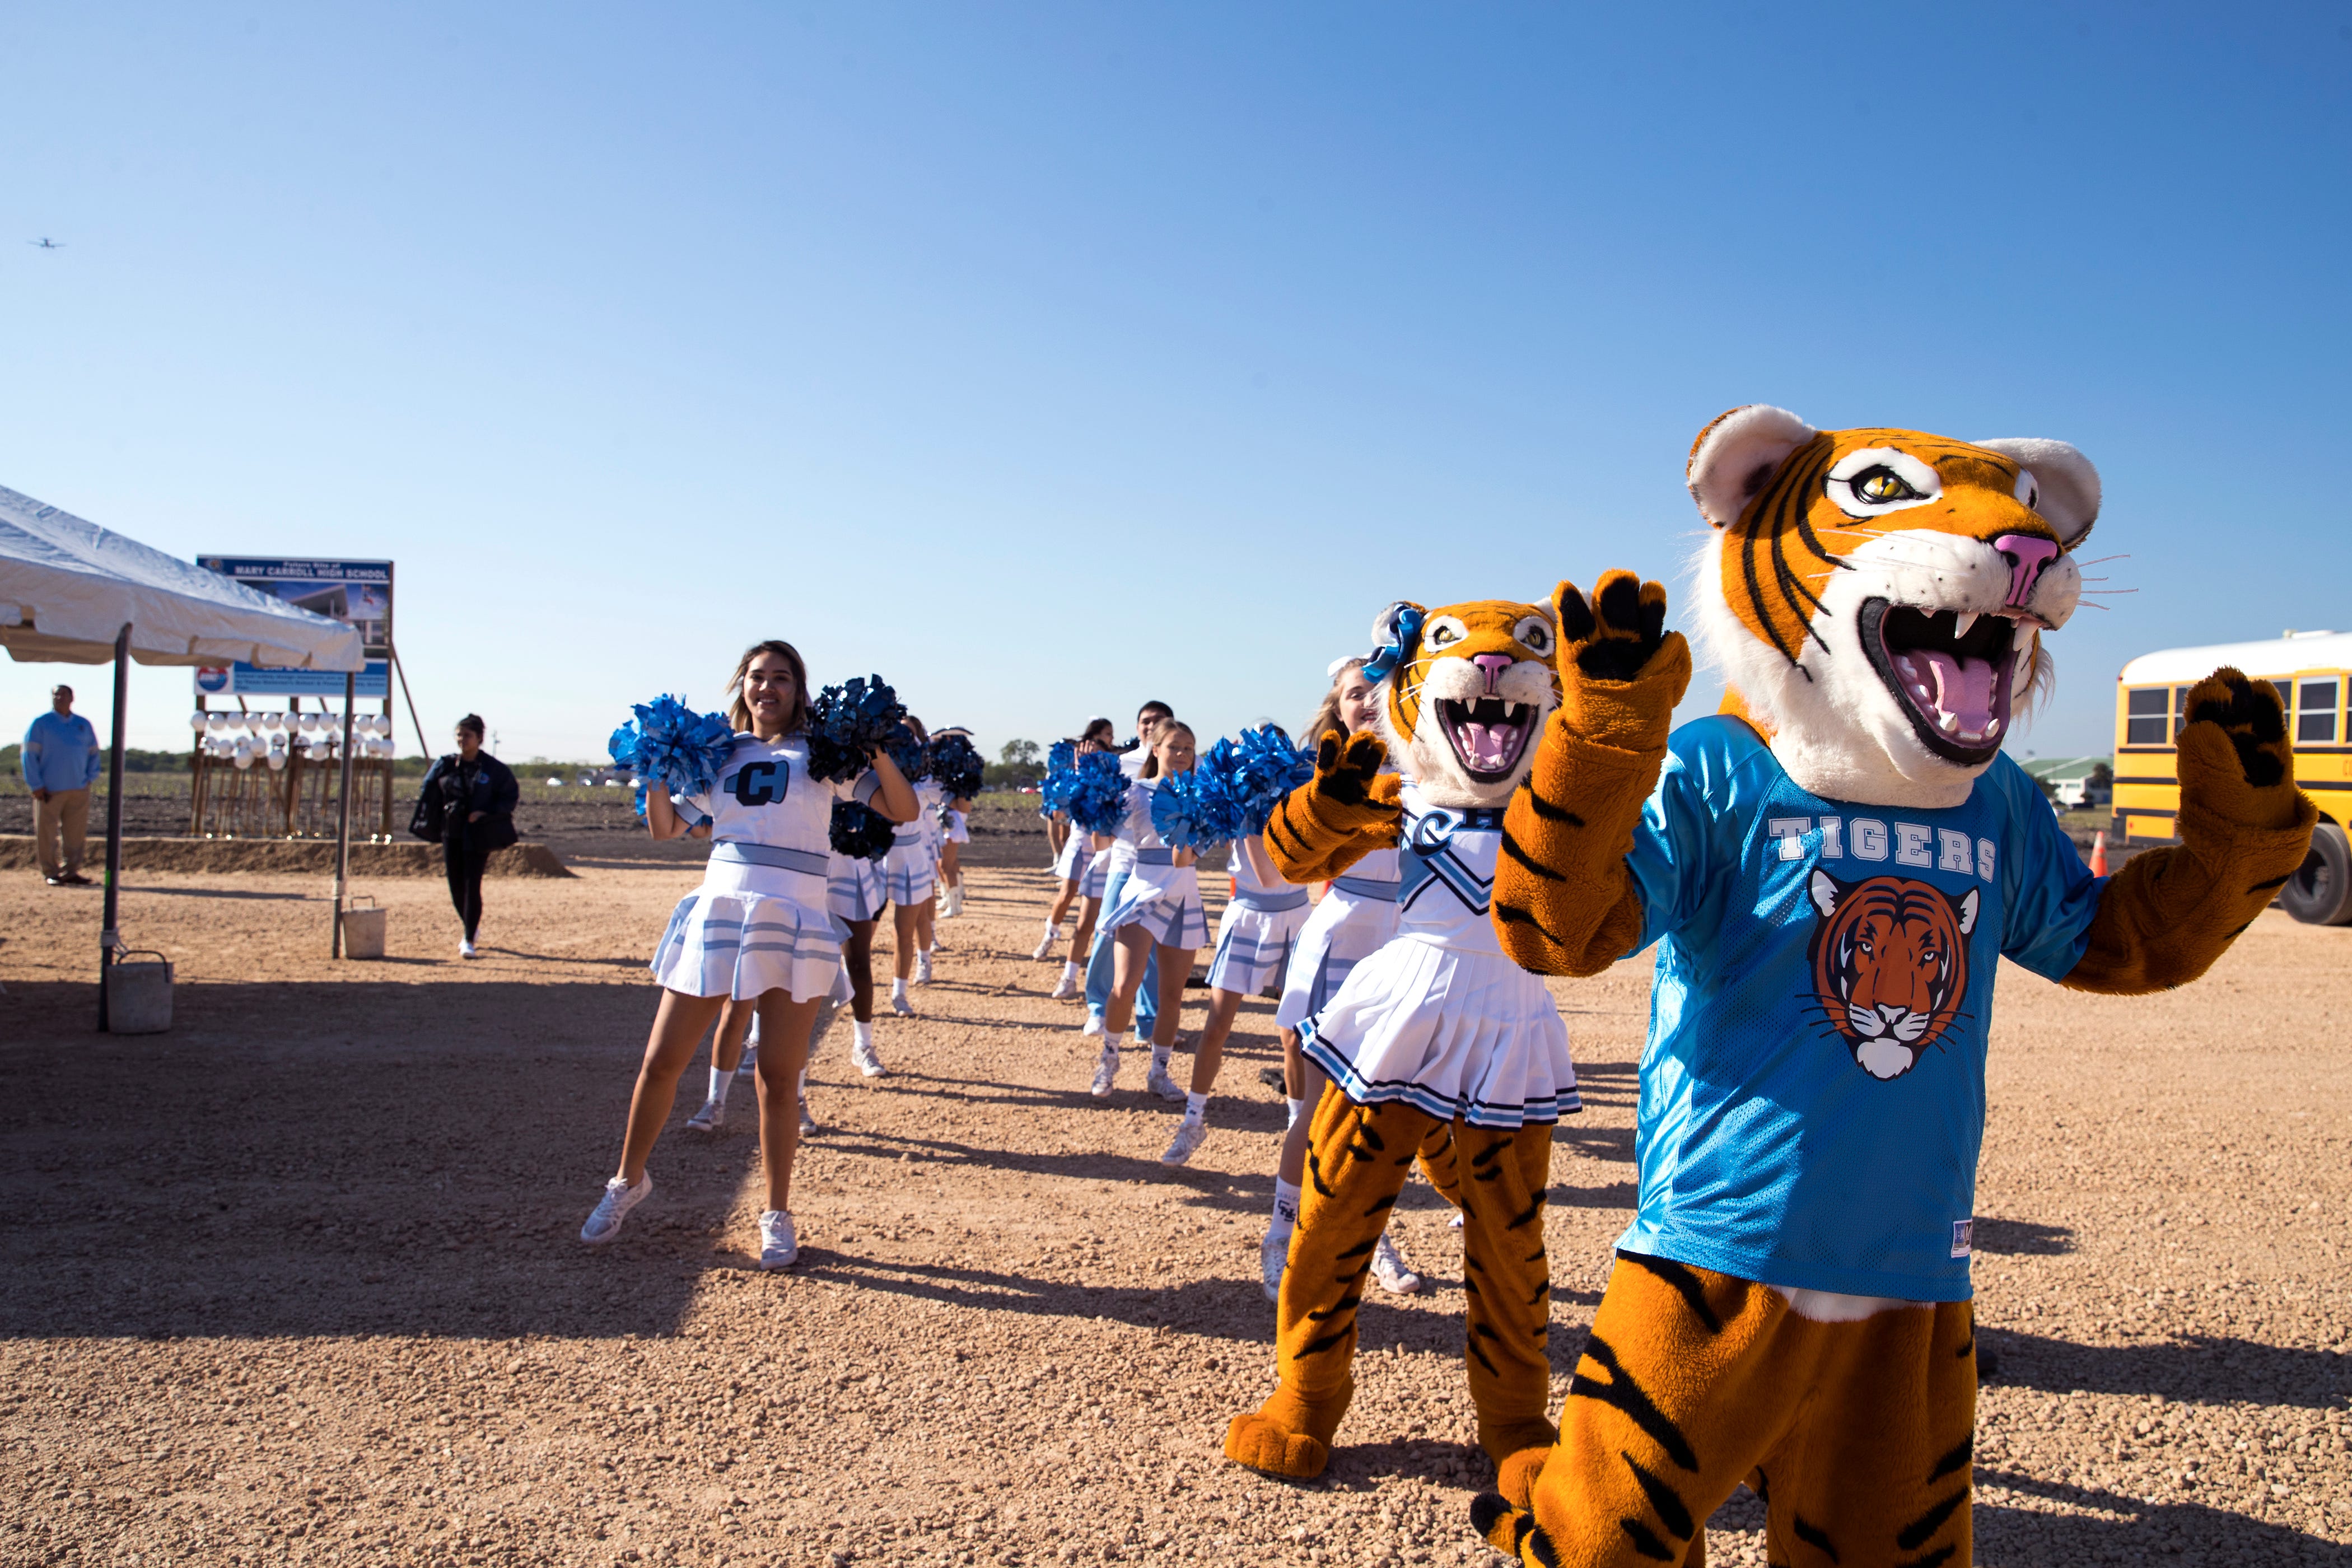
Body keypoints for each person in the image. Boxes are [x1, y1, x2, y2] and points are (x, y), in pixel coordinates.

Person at [580, 640, 916, 1269]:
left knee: (778, 1078)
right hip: (723, 909)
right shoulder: (719, 754)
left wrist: (875, 752)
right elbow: (664, 828)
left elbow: (902, 808)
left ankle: (777, 1211)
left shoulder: (823, 755)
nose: (769, 688)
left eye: (782, 678)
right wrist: (655, 767)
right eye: (758, 677)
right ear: (741, 686)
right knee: (661, 1061)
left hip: (793, 915)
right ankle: (627, 1181)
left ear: (799, 689)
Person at [1262, 660, 1422, 1299]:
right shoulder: (1320, 777)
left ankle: (1372, 1237)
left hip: (1412, 944)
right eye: (1358, 694)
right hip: (1343, 939)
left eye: (1384, 692)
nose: (1371, 703)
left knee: (1389, 1110)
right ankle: (1282, 1239)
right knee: (1318, 1110)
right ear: (1336, 707)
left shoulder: (1430, 768)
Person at [1158, 726, 1312, 1166]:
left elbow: (1273, 875)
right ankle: (1192, 1123)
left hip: (1295, 918)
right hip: (1245, 918)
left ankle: (1296, 1129)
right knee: (1217, 1026)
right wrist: (1188, 812)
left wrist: (1250, 819)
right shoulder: (1232, 803)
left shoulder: (1296, 802)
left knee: (1293, 1037)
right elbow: (1182, 859)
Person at [1089, 721, 1206, 1100]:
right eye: (1175, 747)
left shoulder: (1202, 798)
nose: (1183, 755)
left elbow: (1184, 858)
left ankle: (1159, 1072)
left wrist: (1187, 815)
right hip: (1141, 890)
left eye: (1189, 748)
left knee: (1171, 995)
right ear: (1155, 749)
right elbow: (1100, 840)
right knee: (1125, 986)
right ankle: (1109, 1060)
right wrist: (1094, 802)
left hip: (1182, 892)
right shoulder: (1135, 792)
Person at [1081, 701, 1175, 1037]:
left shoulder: (1181, 766)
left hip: (1163, 870)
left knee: (1153, 948)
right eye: (1145, 721)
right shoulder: (1120, 765)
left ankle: (1149, 1023)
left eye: (1158, 721)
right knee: (1107, 936)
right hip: (1124, 863)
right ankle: (1098, 1008)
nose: (1151, 726)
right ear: (1136, 727)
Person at [414, 716, 519, 959]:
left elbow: (509, 796)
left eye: (467, 736)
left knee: (473, 884)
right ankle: (470, 924)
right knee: (456, 886)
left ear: (479, 739)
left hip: (478, 834)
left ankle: (468, 937)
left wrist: (486, 813)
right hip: (452, 832)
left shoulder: (493, 769)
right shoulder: (446, 765)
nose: (463, 740)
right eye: (459, 735)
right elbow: (428, 791)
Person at [1033, 717, 1117, 972]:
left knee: (1093, 906)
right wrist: (1079, 777)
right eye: (1106, 734)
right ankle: (1050, 934)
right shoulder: (1074, 777)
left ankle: (1086, 957)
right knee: (1067, 893)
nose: (1110, 738)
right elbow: (1060, 813)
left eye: (1111, 735)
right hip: (1081, 844)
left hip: (1104, 849)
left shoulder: (1114, 780)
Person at [882, 716, 940, 1019]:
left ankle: (902, 989)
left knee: (906, 928)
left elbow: (954, 800)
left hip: (911, 853)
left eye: (908, 731)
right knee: (855, 930)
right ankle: (847, 985)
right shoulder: (875, 770)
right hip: (875, 854)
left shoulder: (924, 778)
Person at [22, 683, 101, 887]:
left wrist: (89, 778)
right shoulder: (41, 724)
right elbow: (29, 756)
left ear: (72, 698)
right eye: (56, 695)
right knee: (47, 832)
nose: (59, 698)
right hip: (49, 790)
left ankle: (71, 871)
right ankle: (51, 872)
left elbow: (94, 754)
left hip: (78, 789)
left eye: (63, 694)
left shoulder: (83, 724)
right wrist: (36, 784)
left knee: (75, 833)